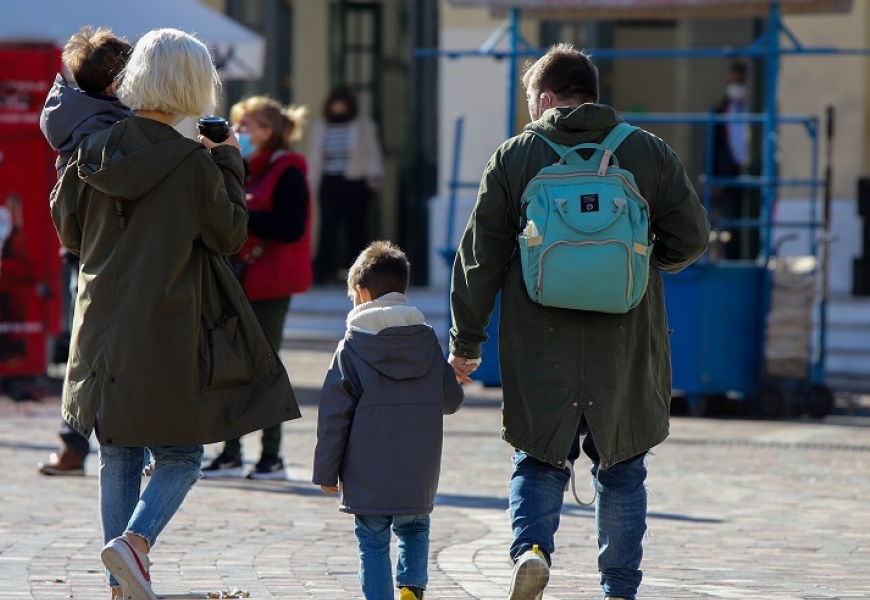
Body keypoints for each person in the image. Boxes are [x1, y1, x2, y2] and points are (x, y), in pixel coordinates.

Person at [446, 44, 709, 600]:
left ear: (544, 99)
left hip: (540, 338)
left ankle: (533, 551)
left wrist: (466, 342)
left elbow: (478, 258)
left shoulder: (515, 157)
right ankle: (618, 589)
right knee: (622, 467)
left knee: (538, 457)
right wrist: (638, 263)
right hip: (627, 338)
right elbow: (691, 238)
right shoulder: (648, 152)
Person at [50, 28, 299, 600]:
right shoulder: (192, 163)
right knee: (183, 454)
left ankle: (120, 587)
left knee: (118, 451)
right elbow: (230, 234)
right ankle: (134, 545)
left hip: (99, 324)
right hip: (166, 325)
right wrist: (230, 161)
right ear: (194, 85)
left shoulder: (89, 149)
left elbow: (67, 230)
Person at [313, 241, 464, 600]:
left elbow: (334, 416)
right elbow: (450, 401)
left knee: (373, 542)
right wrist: (449, 375)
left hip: (368, 471)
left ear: (362, 293)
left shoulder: (350, 347)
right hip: (418, 470)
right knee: (414, 530)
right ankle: (411, 590)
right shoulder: (426, 340)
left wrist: (325, 473)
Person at [200, 95, 312, 481]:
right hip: (239, 278)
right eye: (238, 125)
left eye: (247, 126)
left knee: (265, 367)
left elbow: (291, 225)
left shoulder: (288, 169)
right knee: (231, 366)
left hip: (270, 282)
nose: (239, 133)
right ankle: (231, 453)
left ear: (269, 132)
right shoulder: (244, 165)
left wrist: (243, 213)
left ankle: (272, 457)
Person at [37, 26, 133, 476]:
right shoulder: (110, 126)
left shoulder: (74, 113)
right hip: (110, 251)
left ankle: (76, 443)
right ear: (116, 83)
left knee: (88, 347)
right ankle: (86, 442)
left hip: (83, 249)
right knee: (98, 349)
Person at [308, 86, 384, 284]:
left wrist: (373, 175)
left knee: (356, 228)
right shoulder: (321, 126)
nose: (338, 107)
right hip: (329, 181)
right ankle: (324, 271)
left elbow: (371, 151)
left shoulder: (363, 125)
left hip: (355, 182)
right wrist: (311, 182)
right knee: (328, 227)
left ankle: (362, 271)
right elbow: (315, 156)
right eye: (335, 103)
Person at [709, 61, 754, 260]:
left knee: (752, 220)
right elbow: (714, 145)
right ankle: (732, 259)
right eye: (732, 81)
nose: (735, 86)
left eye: (740, 81)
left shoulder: (754, 107)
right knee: (730, 222)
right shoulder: (720, 110)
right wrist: (714, 177)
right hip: (729, 174)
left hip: (752, 173)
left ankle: (751, 256)